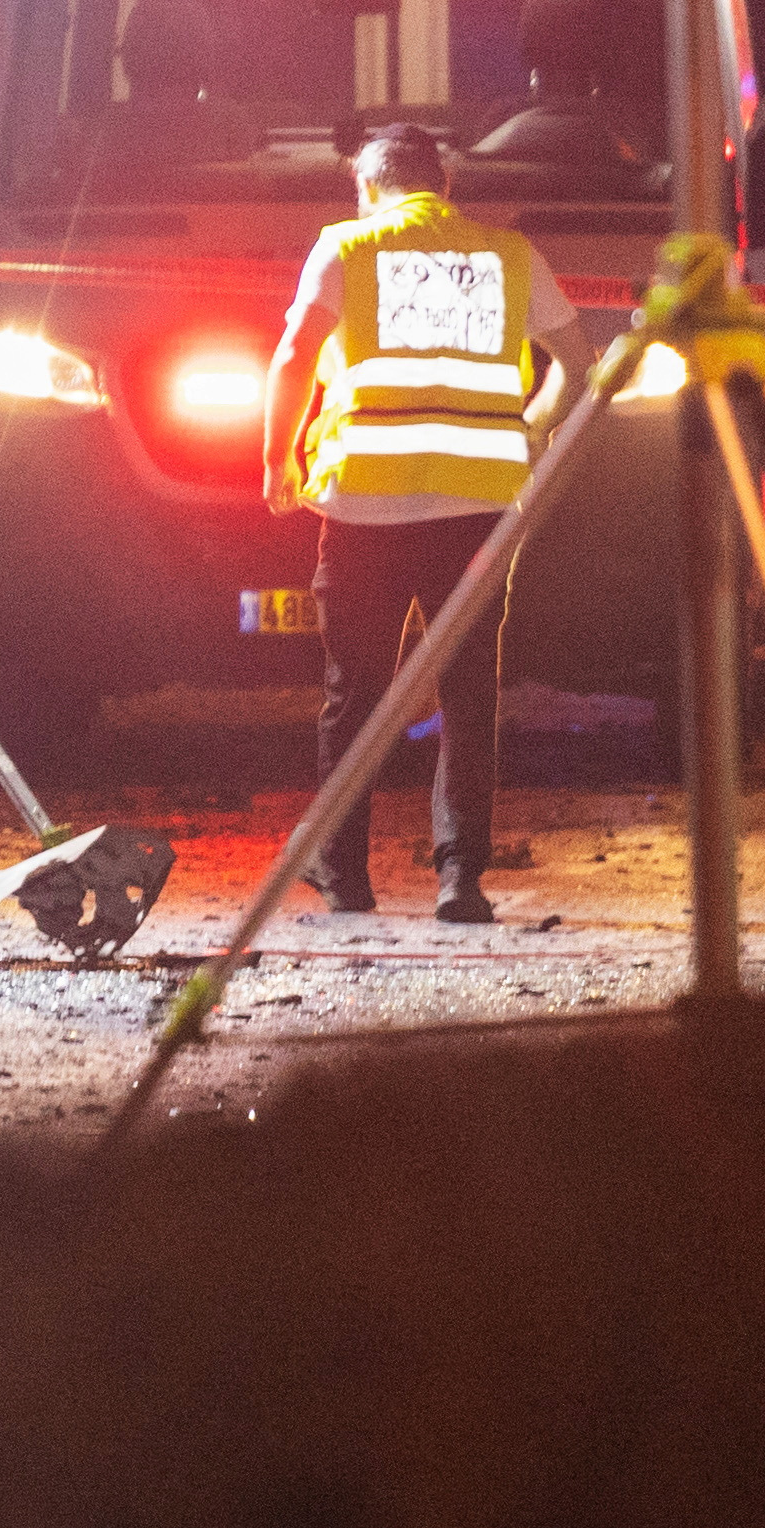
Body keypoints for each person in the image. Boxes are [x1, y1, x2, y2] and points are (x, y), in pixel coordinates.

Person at [262, 119, 557, 924]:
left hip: (367, 505)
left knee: (354, 694)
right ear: (446, 187)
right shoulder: (507, 255)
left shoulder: (347, 248)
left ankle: (345, 877)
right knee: (469, 695)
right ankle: (461, 879)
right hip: (479, 508)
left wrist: (277, 458)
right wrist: (528, 430)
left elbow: (294, 360)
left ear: (368, 189)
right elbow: (580, 362)